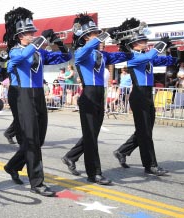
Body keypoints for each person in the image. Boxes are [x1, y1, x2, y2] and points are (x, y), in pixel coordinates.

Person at [2, 7, 72, 196]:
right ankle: (37, 183)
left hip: (39, 94)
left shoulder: (40, 53)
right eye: (28, 32)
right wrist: (41, 40)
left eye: (33, 31)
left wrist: (58, 42)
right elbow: (23, 57)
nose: (32, 34)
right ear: (19, 36)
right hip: (23, 95)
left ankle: (12, 165)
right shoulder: (15, 51)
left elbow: (66, 58)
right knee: (31, 139)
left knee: (38, 139)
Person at [61, 13, 133, 185]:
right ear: (86, 36)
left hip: (100, 95)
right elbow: (82, 53)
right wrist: (104, 35)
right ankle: (94, 173)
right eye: (95, 34)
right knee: (91, 136)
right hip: (88, 96)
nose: (99, 38)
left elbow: (126, 56)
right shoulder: (81, 52)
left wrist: (124, 41)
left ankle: (70, 156)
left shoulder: (102, 54)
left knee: (92, 134)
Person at [112, 18, 177, 175]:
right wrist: (160, 44)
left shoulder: (146, 55)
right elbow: (148, 57)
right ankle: (150, 165)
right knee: (145, 132)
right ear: (134, 44)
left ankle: (122, 151)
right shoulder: (132, 57)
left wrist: (172, 48)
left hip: (147, 95)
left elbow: (171, 60)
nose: (146, 42)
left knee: (145, 130)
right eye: (143, 40)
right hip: (139, 95)